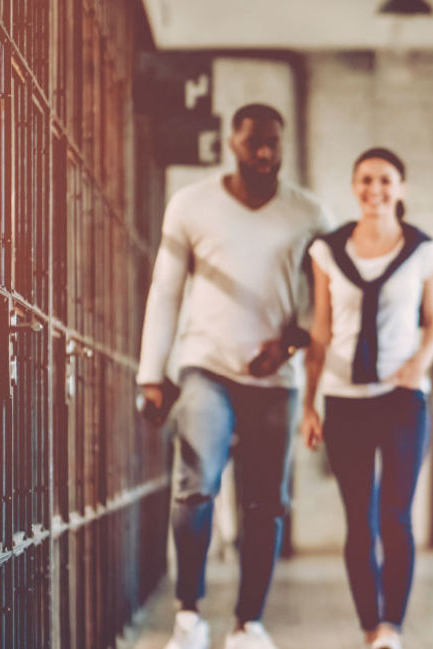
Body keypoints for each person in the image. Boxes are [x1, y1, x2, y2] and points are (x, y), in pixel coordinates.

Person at [138, 103, 332, 649]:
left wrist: (291, 343)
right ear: (232, 142)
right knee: (196, 487)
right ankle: (189, 615)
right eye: (255, 144)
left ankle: (249, 624)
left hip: (276, 378)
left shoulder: (309, 212)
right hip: (206, 367)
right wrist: (151, 374)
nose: (266, 154)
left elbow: (328, 300)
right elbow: (166, 289)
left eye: (274, 143)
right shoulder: (191, 205)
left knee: (266, 503)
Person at [299, 147, 433, 649]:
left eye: (385, 180)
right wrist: (309, 404)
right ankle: (368, 628)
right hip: (343, 400)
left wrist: (416, 366)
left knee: (395, 516)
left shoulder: (424, 251)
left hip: (403, 400)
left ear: (400, 188)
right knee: (359, 520)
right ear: (354, 186)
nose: (374, 190)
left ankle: (392, 628)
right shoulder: (327, 250)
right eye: (365, 180)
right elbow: (320, 329)